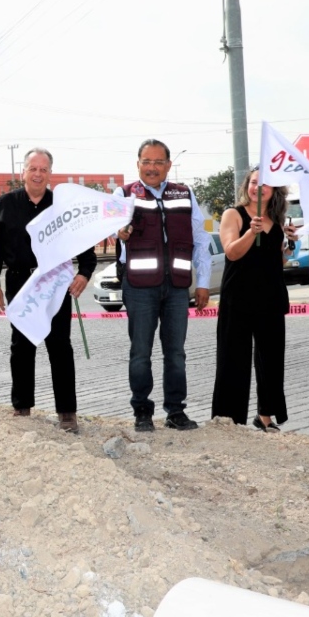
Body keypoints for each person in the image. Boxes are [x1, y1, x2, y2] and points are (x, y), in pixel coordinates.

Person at [0, 149, 97, 433]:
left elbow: (84, 246)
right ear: (23, 171)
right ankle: (22, 408)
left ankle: (67, 414)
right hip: (20, 284)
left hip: (55, 285)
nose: (38, 174)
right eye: (32, 168)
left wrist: (84, 273)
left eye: (43, 169)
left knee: (60, 347)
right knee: (21, 347)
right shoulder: (6, 203)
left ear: (50, 173)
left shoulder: (61, 206)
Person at [114, 139, 210, 432]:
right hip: (139, 286)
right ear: (138, 164)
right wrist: (121, 234)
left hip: (178, 287)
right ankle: (142, 411)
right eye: (146, 161)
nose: (152, 167)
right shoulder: (124, 193)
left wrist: (203, 282)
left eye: (158, 162)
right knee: (141, 351)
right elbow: (114, 235)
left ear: (168, 165)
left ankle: (176, 411)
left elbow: (201, 238)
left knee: (176, 353)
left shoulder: (185, 193)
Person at [210, 168, 298, 431]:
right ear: (246, 185)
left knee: (271, 359)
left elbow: (278, 260)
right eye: (253, 183)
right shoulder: (233, 214)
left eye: (264, 185)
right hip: (238, 297)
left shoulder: (277, 218)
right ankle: (228, 419)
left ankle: (265, 417)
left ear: (275, 190)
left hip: (270, 297)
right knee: (233, 358)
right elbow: (231, 253)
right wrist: (251, 232)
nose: (257, 189)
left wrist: (290, 244)